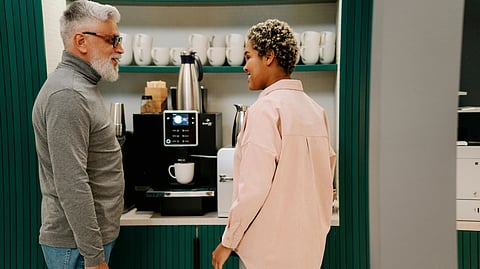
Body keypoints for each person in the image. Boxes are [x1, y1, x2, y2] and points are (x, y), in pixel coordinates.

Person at [212, 19, 336, 269]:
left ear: (268, 56)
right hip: (309, 252)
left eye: (248, 57)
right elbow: (325, 185)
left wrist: (228, 241)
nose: (244, 66)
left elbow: (253, 188)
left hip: (266, 255)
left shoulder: (265, 110)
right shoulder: (316, 111)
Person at [32, 1, 124, 268]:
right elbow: (71, 183)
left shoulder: (82, 85)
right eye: (113, 39)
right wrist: (94, 257)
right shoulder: (69, 94)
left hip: (84, 244)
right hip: (77, 249)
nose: (121, 48)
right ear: (81, 41)